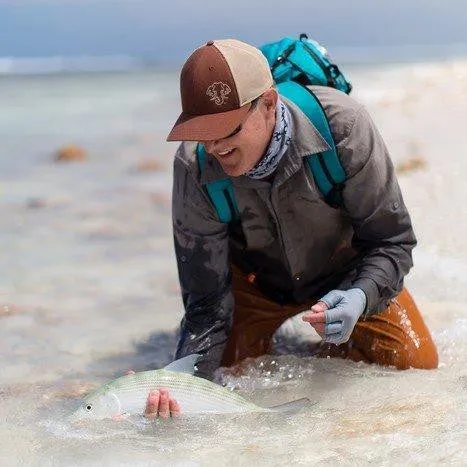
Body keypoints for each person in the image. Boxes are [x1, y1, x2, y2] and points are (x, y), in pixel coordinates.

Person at [144, 39, 438, 418]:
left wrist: (361, 296)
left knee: (414, 364)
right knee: (225, 377)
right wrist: (184, 388)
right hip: (255, 284)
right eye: (203, 132)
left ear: (268, 103)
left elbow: (392, 242)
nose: (215, 147)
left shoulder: (344, 127)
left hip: (344, 274)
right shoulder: (194, 167)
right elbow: (206, 304)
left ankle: (330, 345)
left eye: (227, 129)